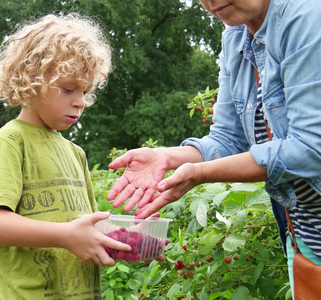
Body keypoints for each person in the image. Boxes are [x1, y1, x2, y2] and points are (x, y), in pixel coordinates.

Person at [106, 0, 321, 297]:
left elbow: (310, 149)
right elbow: (227, 139)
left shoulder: (308, 18)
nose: (210, 2)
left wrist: (201, 173)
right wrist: (166, 156)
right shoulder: (236, 36)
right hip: (305, 235)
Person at [0, 13, 131, 299]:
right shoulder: (11, 141)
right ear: (31, 80)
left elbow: (84, 228)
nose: (80, 101)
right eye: (68, 89)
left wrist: (124, 240)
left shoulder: (75, 153)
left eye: (86, 91)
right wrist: (65, 236)